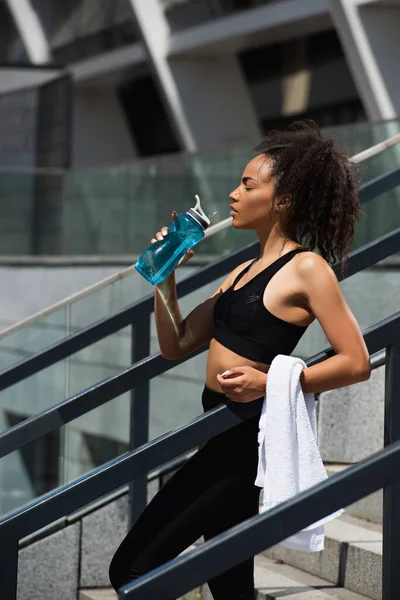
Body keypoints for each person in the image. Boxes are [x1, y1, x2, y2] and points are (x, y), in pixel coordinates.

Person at [109, 120, 371, 599]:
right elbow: (178, 341)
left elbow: (356, 361)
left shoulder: (307, 268)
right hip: (220, 429)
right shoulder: (241, 272)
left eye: (248, 184)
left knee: (131, 570)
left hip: (245, 441)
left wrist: (270, 381)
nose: (233, 193)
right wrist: (164, 275)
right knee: (230, 586)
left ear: (283, 200)